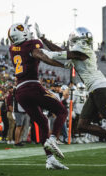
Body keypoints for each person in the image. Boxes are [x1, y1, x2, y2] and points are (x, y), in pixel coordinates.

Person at [35, 25, 106, 173]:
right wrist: (43, 40)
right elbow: (58, 55)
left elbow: (61, 54)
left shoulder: (84, 51)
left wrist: (44, 51)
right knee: (82, 125)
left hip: (100, 87)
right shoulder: (77, 53)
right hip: (94, 90)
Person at [8, 23, 69, 170]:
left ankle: (50, 159)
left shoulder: (12, 49)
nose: (29, 32)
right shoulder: (31, 45)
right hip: (32, 86)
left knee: (42, 121)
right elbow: (40, 55)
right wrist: (62, 65)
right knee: (62, 111)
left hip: (21, 92)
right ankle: (53, 139)